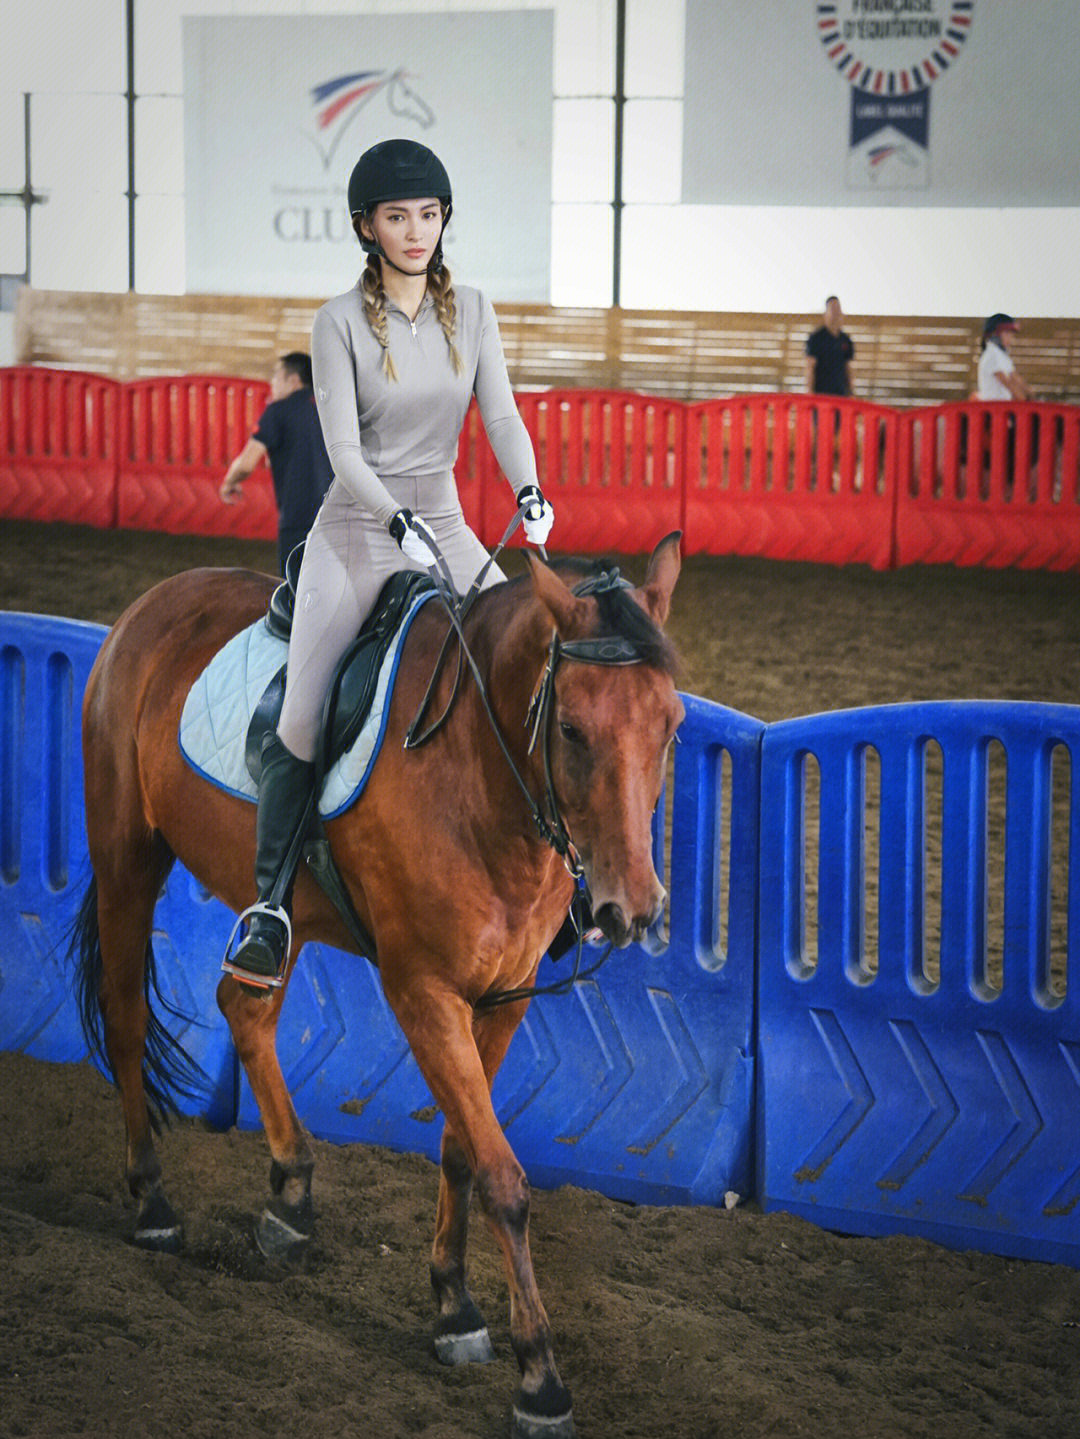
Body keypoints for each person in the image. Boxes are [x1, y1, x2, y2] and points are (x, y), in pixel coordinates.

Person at [225, 137, 555, 988]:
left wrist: (528, 490)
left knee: (531, 657)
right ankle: (268, 907)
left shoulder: (472, 310)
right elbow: (343, 449)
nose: (417, 230)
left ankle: (557, 882)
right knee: (301, 712)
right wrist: (392, 517)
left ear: (445, 222)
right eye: (398, 216)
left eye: (430, 215)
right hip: (357, 527)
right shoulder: (336, 322)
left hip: (443, 517)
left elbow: (503, 417)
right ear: (366, 226)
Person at [220, 352, 333, 576]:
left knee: (295, 593)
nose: (272, 383)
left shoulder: (278, 411)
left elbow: (246, 464)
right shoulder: (329, 408)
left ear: (293, 380)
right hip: (338, 516)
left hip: (299, 518)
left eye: (276, 377)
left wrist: (228, 483)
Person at [805, 296, 854, 396]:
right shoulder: (816, 338)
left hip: (841, 395)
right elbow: (810, 366)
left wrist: (851, 391)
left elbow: (848, 368)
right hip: (821, 394)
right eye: (832, 309)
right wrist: (810, 392)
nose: (836, 313)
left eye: (838, 309)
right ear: (825, 314)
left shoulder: (846, 340)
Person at [976, 313, 1032, 401]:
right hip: (994, 407)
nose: (1011, 337)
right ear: (995, 334)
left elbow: (1014, 378)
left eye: (1011, 334)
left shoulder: (1002, 355)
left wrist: (1030, 394)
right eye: (1007, 333)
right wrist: (1024, 401)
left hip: (1002, 406)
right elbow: (1007, 382)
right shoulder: (991, 354)